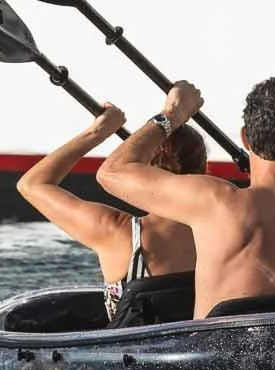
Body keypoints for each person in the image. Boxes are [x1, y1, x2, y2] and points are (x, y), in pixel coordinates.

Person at [97, 75, 275, 319]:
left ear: (245, 138)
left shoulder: (214, 202)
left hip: (216, 358)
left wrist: (173, 114)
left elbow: (111, 172)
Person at [15, 102, 207, 323]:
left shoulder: (115, 231)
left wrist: (98, 131)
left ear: (137, 174)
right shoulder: (230, 227)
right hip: (205, 339)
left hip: (132, 344)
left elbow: (32, 184)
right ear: (204, 170)